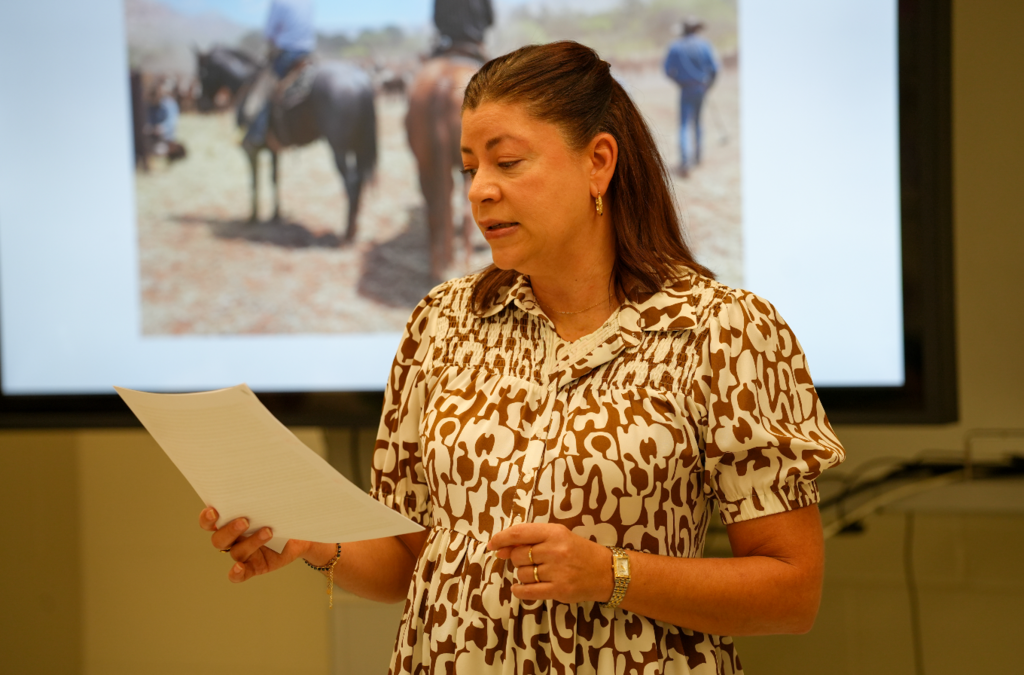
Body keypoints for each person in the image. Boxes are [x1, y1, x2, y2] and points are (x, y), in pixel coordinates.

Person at [201, 41, 845, 674]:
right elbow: (410, 562)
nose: (479, 191)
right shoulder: (441, 323)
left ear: (598, 163)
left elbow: (792, 594)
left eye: (507, 163)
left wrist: (610, 575)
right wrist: (315, 539)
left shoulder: (725, 331)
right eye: (469, 168)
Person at [243, 0, 315, 150]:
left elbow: (269, 33)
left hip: (286, 53)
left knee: (262, 90)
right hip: (307, 54)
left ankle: (257, 134)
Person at [664, 17, 719, 177]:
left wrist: (679, 82)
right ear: (696, 29)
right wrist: (708, 86)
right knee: (697, 121)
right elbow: (714, 69)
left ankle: (685, 160)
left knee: (684, 124)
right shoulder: (705, 45)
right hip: (701, 88)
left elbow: (667, 70)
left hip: (685, 89)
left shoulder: (675, 47)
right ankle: (698, 157)